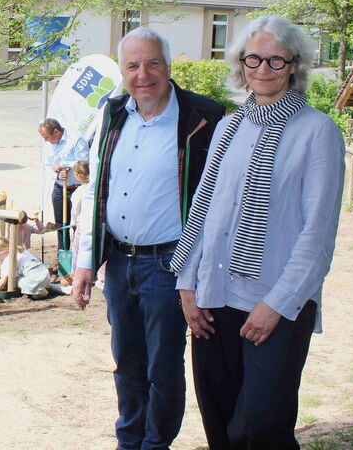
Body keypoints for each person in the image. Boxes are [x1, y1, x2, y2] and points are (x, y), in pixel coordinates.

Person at [170, 16, 345, 449]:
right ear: (241, 64)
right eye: (254, 58)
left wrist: (277, 306)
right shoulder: (230, 126)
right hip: (214, 299)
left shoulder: (317, 132)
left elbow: (317, 236)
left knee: (259, 431)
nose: (263, 68)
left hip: (274, 307)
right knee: (220, 425)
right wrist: (187, 287)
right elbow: (203, 211)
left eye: (275, 59)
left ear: (294, 65)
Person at [72, 27, 225, 450]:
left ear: (169, 66)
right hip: (119, 264)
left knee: (163, 367)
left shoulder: (204, 118)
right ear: (122, 71)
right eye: (133, 65)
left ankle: (156, 443)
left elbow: (217, 204)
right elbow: (95, 188)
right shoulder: (112, 112)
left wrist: (196, 276)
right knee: (127, 363)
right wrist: (86, 261)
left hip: (168, 264)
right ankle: (129, 439)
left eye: (153, 63)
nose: (144, 74)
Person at [39, 117, 89, 251]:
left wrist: (63, 165)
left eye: (47, 137)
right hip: (59, 189)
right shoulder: (49, 145)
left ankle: (78, 255)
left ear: (56, 132)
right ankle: (63, 257)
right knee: (61, 225)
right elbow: (47, 165)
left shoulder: (76, 140)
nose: (45, 140)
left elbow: (83, 162)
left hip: (76, 189)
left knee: (77, 224)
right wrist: (57, 175)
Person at [68, 160, 90, 275]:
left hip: (82, 224)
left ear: (79, 175)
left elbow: (75, 210)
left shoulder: (79, 192)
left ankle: (75, 273)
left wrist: (73, 222)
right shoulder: (95, 188)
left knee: (77, 249)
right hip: (94, 223)